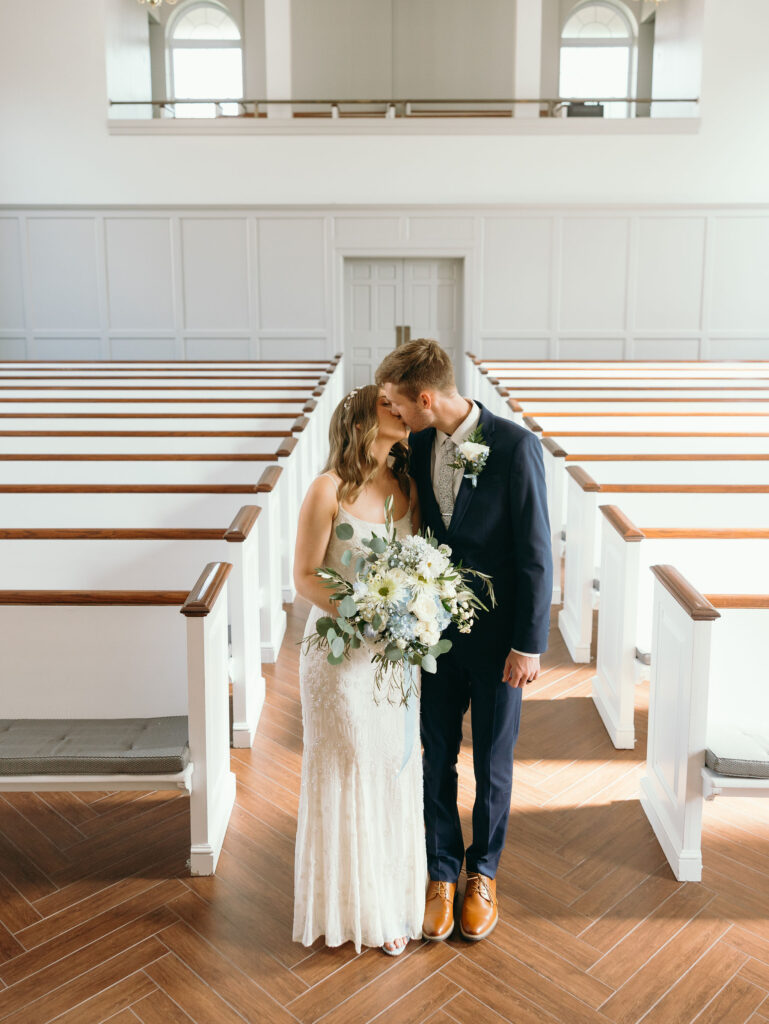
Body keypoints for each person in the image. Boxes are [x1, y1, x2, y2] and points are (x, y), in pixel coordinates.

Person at [375, 339, 552, 943]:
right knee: (437, 758)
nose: (397, 415)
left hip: (502, 643)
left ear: (425, 398)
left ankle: (485, 872)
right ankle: (442, 871)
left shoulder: (515, 445)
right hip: (434, 637)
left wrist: (529, 645)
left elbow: (535, 554)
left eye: (400, 405)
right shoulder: (419, 445)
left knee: (494, 764)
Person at [292, 384, 427, 956]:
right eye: (386, 406)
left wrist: (414, 613)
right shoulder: (328, 489)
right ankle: (353, 910)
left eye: (401, 406)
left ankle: (389, 901)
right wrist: (362, 607)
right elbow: (304, 576)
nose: (399, 412)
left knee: (388, 766)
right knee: (350, 763)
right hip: (337, 656)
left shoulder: (407, 488)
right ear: (359, 420)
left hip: (391, 657)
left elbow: (419, 566)